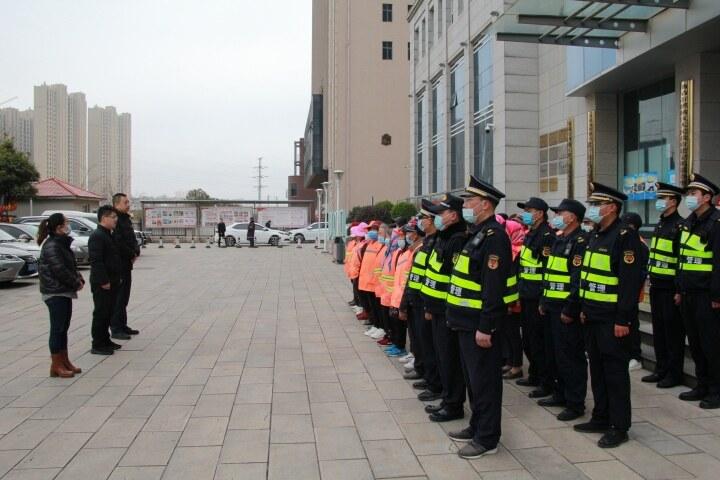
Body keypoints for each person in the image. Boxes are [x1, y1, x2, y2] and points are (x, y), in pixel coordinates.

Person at [445, 175, 515, 459]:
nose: (465, 205)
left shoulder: (494, 237)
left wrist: (486, 326)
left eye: (469, 201)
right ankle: (477, 425)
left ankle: (487, 438)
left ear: (485, 204)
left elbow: (493, 287)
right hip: (464, 322)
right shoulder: (477, 233)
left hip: (479, 325)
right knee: (474, 381)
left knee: (485, 382)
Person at [575, 182, 644, 448]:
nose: (592, 209)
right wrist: (583, 308)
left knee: (615, 373)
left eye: (597, 204)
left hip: (612, 319)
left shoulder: (624, 236)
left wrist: (623, 320)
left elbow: (628, 283)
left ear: (612, 207)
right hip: (592, 315)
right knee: (598, 370)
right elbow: (588, 276)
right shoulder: (595, 234)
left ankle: (619, 426)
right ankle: (601, 416)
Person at [421, 194, 468, 422]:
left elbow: (453, 277)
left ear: (454, 215)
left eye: (442, 213)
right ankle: (447, 399)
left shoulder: (457, 239)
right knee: (442, 357)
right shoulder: (444, 236)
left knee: (450, 360)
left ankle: (453, 404)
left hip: (447, 309)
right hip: (437, 307)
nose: (438, 217)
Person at [540, 199, 588, 421]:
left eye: (561, 212)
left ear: (573, 217)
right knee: (555, 354)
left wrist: (570, 308)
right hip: (551, 305)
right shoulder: (559, 239)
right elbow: (549, 273)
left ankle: (575, 402)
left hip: (565, 309)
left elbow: (577, 280)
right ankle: (560, 393)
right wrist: (543, 300)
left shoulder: (580, 241)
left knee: (571, 356)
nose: (557, 216)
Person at [676, 173, 720, 409]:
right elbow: (683, 260)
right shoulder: (688, 222)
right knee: (695, 342)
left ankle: (716, 389)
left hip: (707, 295)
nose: (689, 198)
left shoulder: (716, 223)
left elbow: (718, 264)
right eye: (689, 194)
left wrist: (716, 295)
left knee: (711, 343)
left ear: (707, 197)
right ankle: (701, 384)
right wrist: (679, 289)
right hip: (688, 293)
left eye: (693, 194)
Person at [642, 182, 685, 388]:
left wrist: (679, 289)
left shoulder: (680, 226)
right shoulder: (660, 224)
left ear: (674, 202)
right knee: (658, 330)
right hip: (657, 286)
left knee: (672, 332)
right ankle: (661, 369)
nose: (659, 202)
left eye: (663, 199)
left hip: (670, 288)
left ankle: (673, 373)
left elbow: (680, 261)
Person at [401, 201, 443, 404]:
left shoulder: (437, 242)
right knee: (423, 343)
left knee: (431, 346)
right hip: (419, 300)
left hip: (429, 303)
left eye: (423, 218)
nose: (420, 222)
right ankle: (429, 378)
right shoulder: (429, 242)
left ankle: (435, 384)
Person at [37, 213, 85, 378]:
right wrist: (75, 282)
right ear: (58, 227)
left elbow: (70, 265)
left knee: (63, 328)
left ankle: (65, 361)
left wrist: (79, 278)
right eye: (66, 223)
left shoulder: (61, 243)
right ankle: (56, 364)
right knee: (57, 329)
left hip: (63, 291)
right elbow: (59, 270)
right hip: (54, 292)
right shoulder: (52, 246)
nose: (68, 226)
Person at [516, 197, 556, 398]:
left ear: (540, 213)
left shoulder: (547, 235)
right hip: (526, 293)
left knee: (540, 342)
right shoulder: (530, 233)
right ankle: (534, 373)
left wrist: (543, 298)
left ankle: (545, 380)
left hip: (537, 295)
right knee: (529, 340)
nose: (525, 214)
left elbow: (547, 268)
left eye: (529, 210)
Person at [89, 205, 123, 355]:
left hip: (113, 280)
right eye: (113, 217)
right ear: (104, 218)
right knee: (101, 312)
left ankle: (105, 339)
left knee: (109, 311)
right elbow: (96, 261)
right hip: (103, 283)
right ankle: (97, 343)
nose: (116, 220)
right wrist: (103, 281)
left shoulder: (108, 234)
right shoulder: (97, 236)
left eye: (116, 217)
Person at [620, 212, 649, 371]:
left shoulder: (639, 244)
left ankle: (635, 356)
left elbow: (640, 272)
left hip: (633, 292)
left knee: (632, 323)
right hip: (622, 292)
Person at [111, 193, 140, 341]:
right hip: (119, 263)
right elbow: (119, 242)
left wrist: (136, 250)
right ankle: (115, 327)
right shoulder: (115, 220)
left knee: (125, 296)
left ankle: (122, 324)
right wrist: (131, 253)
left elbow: (132, 238)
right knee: (119, 296)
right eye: (125, 202)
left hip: (127, 263)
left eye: (128, 202)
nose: (128, 205)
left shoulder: (125, 219)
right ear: (116, 205)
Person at [501, 218, 525, 380]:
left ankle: (517, 365)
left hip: (514, 300)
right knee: (507, 333)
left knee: (514, 334)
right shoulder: (509, 248)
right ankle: (510, 361)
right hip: (506, 298)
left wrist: (512, 301)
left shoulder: (518, 251)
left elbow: (515, 278)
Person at [358, 221, 384, 333]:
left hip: (374, 282)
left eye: (374, 230)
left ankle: (379, 326)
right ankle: (374, 324)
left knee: (377, 307)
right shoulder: (370, 244)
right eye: (370, 230)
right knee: (372, 306)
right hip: (366, 281)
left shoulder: (380, 245)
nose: (371, 232)